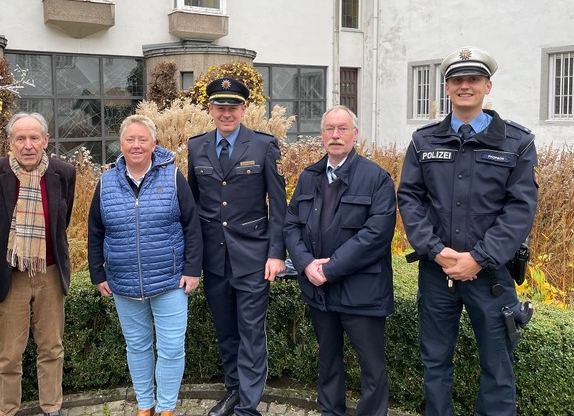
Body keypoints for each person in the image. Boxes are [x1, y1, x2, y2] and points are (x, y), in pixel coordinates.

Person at [397, 47, 538, 416]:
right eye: (457, 80)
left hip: (489, 276)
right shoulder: (423, 141)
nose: (464, 86)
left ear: (487, 86)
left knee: (497, 368)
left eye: (473, 79)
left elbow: (520, 209)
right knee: (435, 364)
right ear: (447, 89)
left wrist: (478, 257)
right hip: (437, 272)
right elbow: (410, 198)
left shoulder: (517, 143)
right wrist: (435, 250)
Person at [87, 114, 203, 416]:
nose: (136, 145)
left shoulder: (172, 176)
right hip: (124, 282)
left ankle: (166, 408)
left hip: (169, 281)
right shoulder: (106, 180)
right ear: (121, 144)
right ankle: (144, 405)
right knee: (137, 347)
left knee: (171, 348)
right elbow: (95, 229)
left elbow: (192, 225)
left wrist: (192, 269)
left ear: (154, 143)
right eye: (130, 139)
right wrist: (97, 271)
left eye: (142, 139)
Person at [284, 105, 395, 416]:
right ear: (322, 136)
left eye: (342, 129)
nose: (335, 135)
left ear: (355, 134)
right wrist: (306, 264)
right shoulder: (309, 176)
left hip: (362, 292)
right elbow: (291, 225)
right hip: (320, 291)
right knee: (328, 361)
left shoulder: (376, 178)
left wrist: (329, 269)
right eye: (330, 129)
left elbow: (376, 234)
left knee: (372, 368)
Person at [187, 78, 287, 416]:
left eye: (233, 107)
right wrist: (193, 259)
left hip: (253, 257)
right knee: (227, 332)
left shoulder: (263, 146)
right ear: (210, 109)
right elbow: (194, 205)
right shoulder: (196, 147)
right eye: (220, 107)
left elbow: (278, 205)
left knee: (251, 334)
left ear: (244, 109)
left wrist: (276, 253)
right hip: (215, 259)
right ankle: (233, 391)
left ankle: (247, 406)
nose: (226, 113)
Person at [0, 113, 76, 416]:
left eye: (35, 138)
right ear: (10, 142)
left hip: (50, 271)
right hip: (10, 274)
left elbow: (62, 221)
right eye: (21, 138)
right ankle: (7, 410)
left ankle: (52, 407)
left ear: (46, 140)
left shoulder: (64, 173)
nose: (28, 145)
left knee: (51, 347)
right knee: (8, 353)